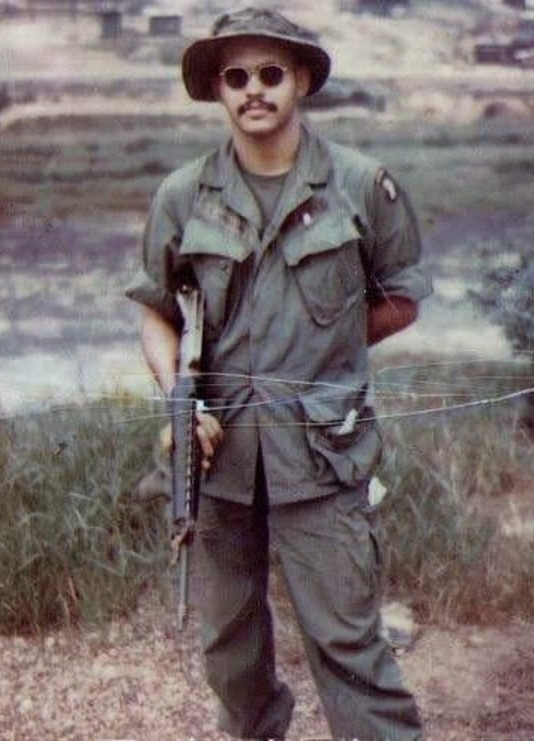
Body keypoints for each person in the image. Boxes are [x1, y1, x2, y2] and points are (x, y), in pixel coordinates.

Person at [125, 7, 429, 739]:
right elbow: (155, 311)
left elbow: (403, 298)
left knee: (347, 641)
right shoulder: (182, 195)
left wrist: (325, 349)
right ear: (217, 91)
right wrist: (178, 399)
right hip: (217, 454)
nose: (253, 90)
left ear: (299, 82)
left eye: (270, 74)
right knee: (228, 647)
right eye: (236, 77)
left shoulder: (360, 185)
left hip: (322, 453)